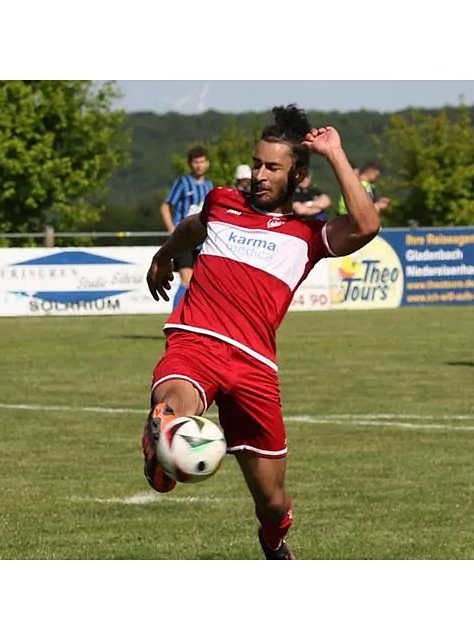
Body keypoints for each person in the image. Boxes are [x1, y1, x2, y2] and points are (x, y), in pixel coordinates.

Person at [143, 105, 380, 560]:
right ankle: (164, 428)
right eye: (256, 164)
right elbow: (194, 226)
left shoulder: (310, 234)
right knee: (175, 398)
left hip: (255, 368)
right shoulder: (222, 201)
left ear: (298, 176)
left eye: (273, 167)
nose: (260, 174)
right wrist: (164, 255)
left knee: (272, 501)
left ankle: (273, 541)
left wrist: (335, 152)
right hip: (198, 339)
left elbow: (367, 225)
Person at [160, 146, 213, 306]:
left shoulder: (209, 186)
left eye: (202, 161)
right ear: (190, 164)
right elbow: (165, 206)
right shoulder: (183, 182)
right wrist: (172, 230)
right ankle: (176, 322)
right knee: (186, 281)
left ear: (207, 163)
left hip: (202, 241)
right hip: (184, 240)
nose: (199, 165)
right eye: (196, 162)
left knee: (200, 284)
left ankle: (191, 322)